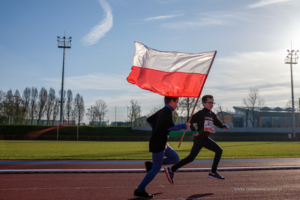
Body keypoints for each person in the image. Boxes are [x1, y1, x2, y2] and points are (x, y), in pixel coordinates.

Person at [164, 95, 229, 184]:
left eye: (212, 102)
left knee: (190, 158)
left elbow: (217, 122)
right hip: (202, 139)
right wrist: (193, 131)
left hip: (200, 139)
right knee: (219, 151)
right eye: (209, 102)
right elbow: (189, 119)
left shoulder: (212, 114)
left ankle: (171, 169)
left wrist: (223, 126)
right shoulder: (201, 113)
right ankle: (213, 172)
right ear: (203, 103)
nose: (211, 104)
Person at [134, 96, 190, 199]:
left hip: (161, 142)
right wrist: (183, 126)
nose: (178, 104)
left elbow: (150, 120)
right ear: (171, 101)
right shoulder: (167, 112)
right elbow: (170, 127)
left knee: (176, 159)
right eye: (177, 102)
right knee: (156, 168)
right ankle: (139, 189)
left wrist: (158, 130)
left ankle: (151, 164)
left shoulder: (162, 111)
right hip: (158, 143)